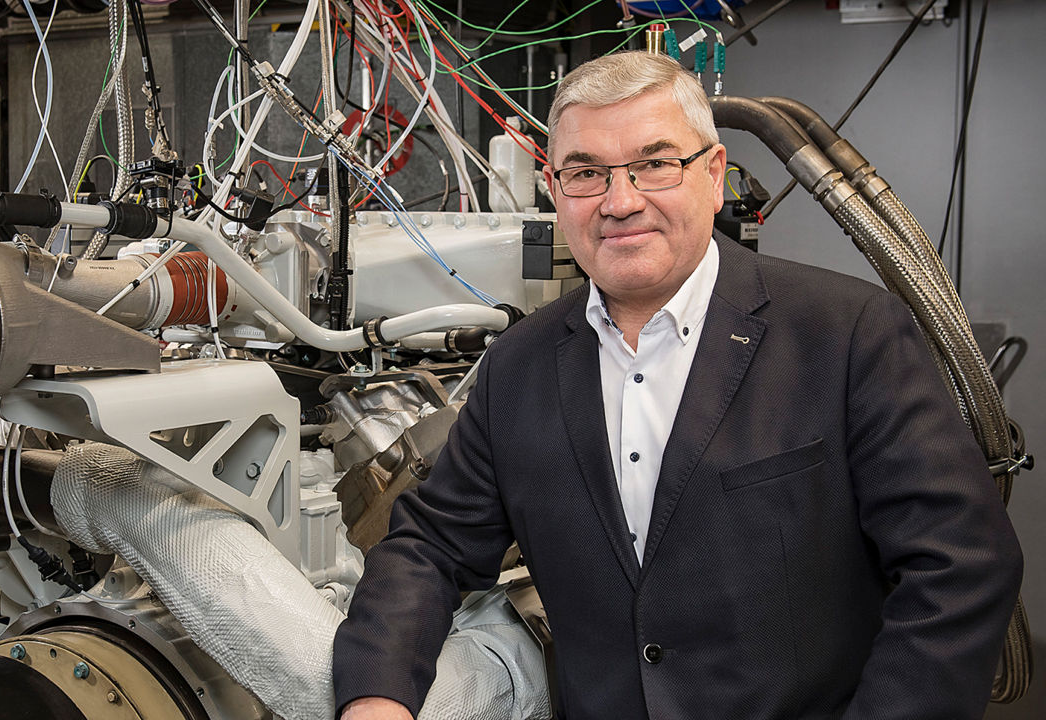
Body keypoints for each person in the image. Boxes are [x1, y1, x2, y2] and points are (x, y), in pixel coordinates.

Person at [333, 51, 1022, 720]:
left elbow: (960, 570)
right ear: (555, 190)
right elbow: (429, 546)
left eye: (655, 164)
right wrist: (377, 694)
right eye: (586, 173)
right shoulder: (519, 366)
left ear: (715, 173)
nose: (620, 201)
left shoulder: (848, 335)